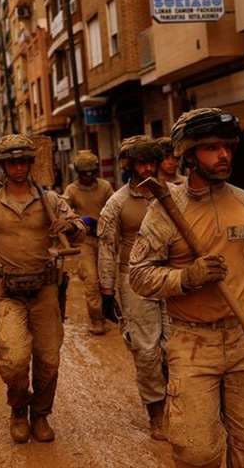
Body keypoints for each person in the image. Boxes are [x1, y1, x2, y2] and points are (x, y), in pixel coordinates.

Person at [129, 108, 244, 467]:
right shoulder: (164, 211)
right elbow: (138, 276)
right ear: (189, 156)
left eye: (227, 146)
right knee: (196, 453)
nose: (224, 155)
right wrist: (186, 278)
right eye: (211, 148)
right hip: (193, 345)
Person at [0, 134, 85, 444]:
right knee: (14, 362)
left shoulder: (52, 200)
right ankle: (19, 409)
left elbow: (80, 229)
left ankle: (40, 414)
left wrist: (69, 226)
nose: (18, 167)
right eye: (11, 162)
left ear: (31, 164)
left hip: (45, 292)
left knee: (49, 360)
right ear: (2, 167)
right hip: (9, 295)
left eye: (23, 161)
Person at [97, 135, 169, 440]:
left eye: (152, 161)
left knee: (177, 346)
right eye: (142, 163)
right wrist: (107, 291)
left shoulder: (174, 195)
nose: (148, 168)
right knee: (147, 350)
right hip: (134, 281)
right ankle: (156, 411)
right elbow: (106, 248)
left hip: (174, 278)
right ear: (130, 166)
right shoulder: (116, 204)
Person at [62, 150, 114, 335]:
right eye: (84, 173)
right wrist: (78, 221)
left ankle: (114, 313)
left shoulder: (105, 187)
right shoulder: (72, 190)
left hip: (106, 238)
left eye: (92, 172)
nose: (89, 176)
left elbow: (115, 209)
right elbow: (64, 212)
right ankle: (96, 318)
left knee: (110, 278)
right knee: (91, 280)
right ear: (78, 173)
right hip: (84, 241)